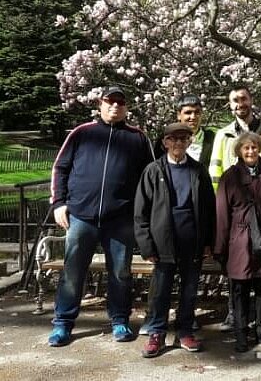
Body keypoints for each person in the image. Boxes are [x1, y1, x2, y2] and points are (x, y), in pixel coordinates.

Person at [48, 86, 154, 347]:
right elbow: (60, 168)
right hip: (81, 216)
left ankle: (119, 320)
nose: (115, 107)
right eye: (110, 102)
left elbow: (149, 179)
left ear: (126, 107)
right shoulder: (82, 133)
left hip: (120, 219)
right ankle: (63, 323)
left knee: (120, 273)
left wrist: (142, 214)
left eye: (120, 102)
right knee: (73, 272)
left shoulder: (138, 138)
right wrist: (59, 203)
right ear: (100, 104)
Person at [210, 84, 261, 332]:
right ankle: (236, 316)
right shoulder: (223, 134)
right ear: (229, 104)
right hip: (236, 210)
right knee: (238, 267)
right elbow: (215, 171)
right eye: (234, 100)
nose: (239, 104)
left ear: (251, 100)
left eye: (243, 98)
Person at [134, 122, 216, 357]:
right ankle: (157, 332)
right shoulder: (153, 170)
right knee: (161, 290)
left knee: (189, 290)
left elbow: (210, 210)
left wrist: (209, 241)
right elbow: (141, 212)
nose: (179, 143)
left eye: (183, 139)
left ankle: (185, 331)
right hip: (163, 243)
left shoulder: (198, 170)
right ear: (165, 142)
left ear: (190, 142)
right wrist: (146, 245)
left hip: (193, 241)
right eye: (174, 139)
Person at [213, 132, 261, 353]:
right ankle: (241, 333)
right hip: (239, 241)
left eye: (255, 148)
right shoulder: (230, 177)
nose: (251, 152)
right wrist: (220, 248)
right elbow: (222, 215)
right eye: (246, 148)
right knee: (239, 289)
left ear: (260, 149)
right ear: (239, 151)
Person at [152, 93, 216, 167]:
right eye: (188, 113)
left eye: (197, 112)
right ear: (179, 115)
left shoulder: (212, 139)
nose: (193, 117)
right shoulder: (165, 141)